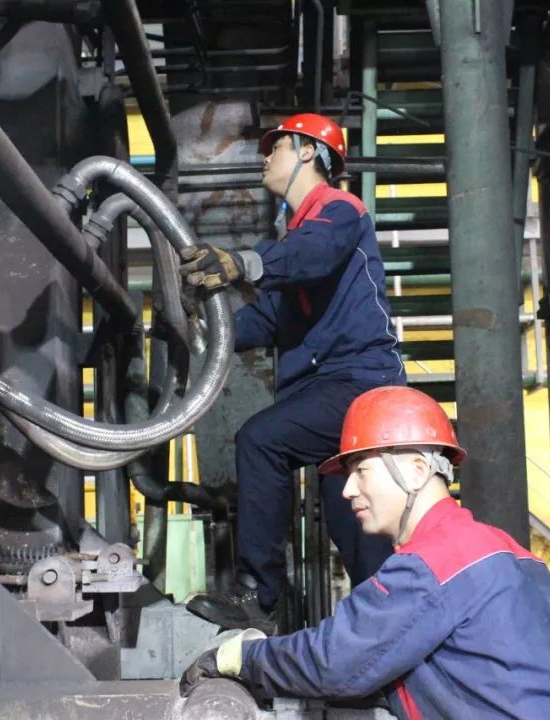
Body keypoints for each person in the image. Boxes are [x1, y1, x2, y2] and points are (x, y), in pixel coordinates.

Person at [180, 386, 550, 719]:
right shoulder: (504, 549)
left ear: (416, 469)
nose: (348, 490)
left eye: (361, 471)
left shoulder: (435, 562)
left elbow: (335, 661)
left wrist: (241, 657)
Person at [178, 113, 406, 633]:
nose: (265, 157)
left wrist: (241, 264)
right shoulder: (292, 237)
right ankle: (392, 630)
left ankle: (260, 597)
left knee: (261, 440)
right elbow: (269, 320)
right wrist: (199, 332)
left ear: (308, 152)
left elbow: (314, 256)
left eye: (276, 147)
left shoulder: (338, 211)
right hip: (330, 392)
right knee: (355, 524)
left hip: (361, 385)